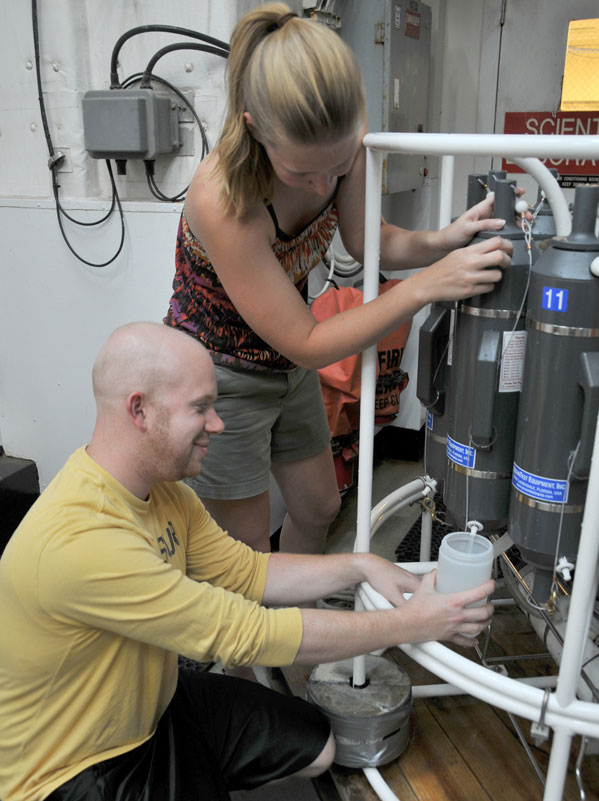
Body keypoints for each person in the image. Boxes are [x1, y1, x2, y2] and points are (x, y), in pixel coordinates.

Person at [0, 322, 495, 801]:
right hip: (75, 769)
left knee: (319, 748)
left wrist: (362, 564)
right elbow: (252, 634)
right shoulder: (83, 543)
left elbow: (249, 571)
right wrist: (409, 625)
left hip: (154, 705)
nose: (217, 423)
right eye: (201, 408)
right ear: (139, 410)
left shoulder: (164, 491)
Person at [163, 2, 513, 554]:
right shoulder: (222, 198)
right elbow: (308, 341)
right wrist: (425, 287)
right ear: (255, 130)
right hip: (219, 379)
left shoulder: (340, 145)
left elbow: (368, 241)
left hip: (285, 367)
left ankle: (297, 627)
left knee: (320, 507)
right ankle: (258, 637)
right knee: (246, 549)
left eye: (339, 166)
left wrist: (443, 240)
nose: (324, 182)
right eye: (303, 172)